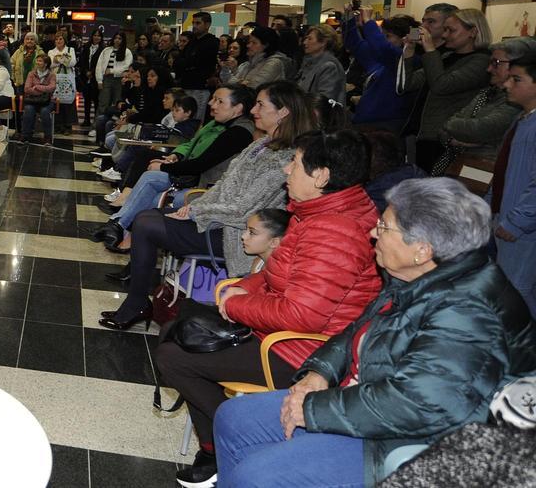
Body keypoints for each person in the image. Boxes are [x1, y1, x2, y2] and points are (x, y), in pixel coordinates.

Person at [214, 178, 536, 487]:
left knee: (257, 477)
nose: (371, 232)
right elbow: (358, 329)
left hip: (426, 444)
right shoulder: (418, 275)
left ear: (421, 249)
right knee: (234, 418)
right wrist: (319, 373)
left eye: (383, 226)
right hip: (371, 402)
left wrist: (313, 409)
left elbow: (419, 404)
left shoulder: (469, 311)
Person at [162, 128, 381, 487]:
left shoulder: (335, 230)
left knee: (175, 356)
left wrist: (238, 306)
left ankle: (222, 445)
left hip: (300, 351)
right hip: (281, 332)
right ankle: (220, 441)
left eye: (294, 164)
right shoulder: (318, 212)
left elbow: (303, 315)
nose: (285, 171)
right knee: (179, 326)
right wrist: (241, 288)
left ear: (321, 176)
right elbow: (274, 273)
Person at [100, 81, 316, 328]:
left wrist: (196, 210)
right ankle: (137, 300)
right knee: (147, 218)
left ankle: (137, 302)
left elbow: (244, 210)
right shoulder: (261, 144)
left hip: (237, 235)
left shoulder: (287, 157)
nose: (254, 110)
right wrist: (195, 207)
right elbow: (224, 184)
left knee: (146, 225)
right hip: (215, 219)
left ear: (283, 111)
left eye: (260, 104)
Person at [94, 86, 255, 252]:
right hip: (194, 177)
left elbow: (202, 164)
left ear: (238, 108)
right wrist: (176, 155)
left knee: (152, 189)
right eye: (213, 99)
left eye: (219, 101)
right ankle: (120, 228)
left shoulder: (239, 132)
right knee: (150, 177)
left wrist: (165, 167)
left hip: (207, 187)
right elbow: (191, 144)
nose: (211, 104)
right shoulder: (217, 123)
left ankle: (124, 230)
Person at [399, 7, 491, 172]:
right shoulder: (446, 57)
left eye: (451, 30)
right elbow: (408, 84)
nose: (444, 35)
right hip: (425, 135)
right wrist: (409, 52)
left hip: (447, 140)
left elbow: (441, 85)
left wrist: (429, 49)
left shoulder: (482, 62)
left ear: (473, 31)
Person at [432, 37, 536, 173]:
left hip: (484, 172)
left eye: (496, 63)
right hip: (463, 168)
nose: (488, 69)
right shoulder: (487, 92)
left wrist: (458, 131)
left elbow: (481, 129)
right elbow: (445, 127)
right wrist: (454, 135)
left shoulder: (516, 102)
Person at [492, 51, 536, 315]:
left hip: (523, 229)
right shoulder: (524, 119)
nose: (507, 84)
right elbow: (506, 171)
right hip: (509, 219)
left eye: (516, 79)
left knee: (516, 296)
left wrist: (518, 220)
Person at [343, 11, 416, 131]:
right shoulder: (380, 61)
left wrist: (368, 21)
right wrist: (348, 16)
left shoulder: (407, 60)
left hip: (386, 126)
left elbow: (382, 47)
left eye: (387, 36)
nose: (383, 39)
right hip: (365, 122)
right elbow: (354, 43)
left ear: (405, 39)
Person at [175, 12, 221, 117]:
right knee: (182, 117)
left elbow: (197, 62)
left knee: (195, 118)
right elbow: (179, 60)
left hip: (200, 87)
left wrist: (187, 62)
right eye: (193, 23)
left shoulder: (212, 42)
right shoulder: (192, 42)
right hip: (186, 84)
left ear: (207, 24)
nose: (194, 26)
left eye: (198, 23)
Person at [296, 24, 346, 105]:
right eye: (306, 38)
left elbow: (324, 101)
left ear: (323, 42)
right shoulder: (309, 62)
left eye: (309, 39)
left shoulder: (329, 66)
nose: (305, 42)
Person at [20, 51, 56, 144]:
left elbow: (52, 87)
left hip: (47, 101)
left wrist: (38, 87)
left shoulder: (51, 75)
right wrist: (42, 90)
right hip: (33, 100)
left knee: (45, 112)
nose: (37, 63)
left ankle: (47, 136)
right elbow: (27, 89)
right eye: (37, 61)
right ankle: (25, 135)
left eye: (40, 61)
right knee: (28, 109)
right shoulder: (31, 74)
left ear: (46, 63)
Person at [95, 31, 133, 115]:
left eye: (120, 38)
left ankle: (114, 124)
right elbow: (99, 65)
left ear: (123, 40)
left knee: (117, 102)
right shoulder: (106, 50)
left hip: (120, 80)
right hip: (106, 79)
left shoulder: (127, 52)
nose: (117, 40)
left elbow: (126, 67)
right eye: (116, 38)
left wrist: (112, 71)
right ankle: (98, 125)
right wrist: (99, 81)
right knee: (103, 102)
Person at [49, 31, 77, 129]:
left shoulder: (71, 50)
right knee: (57, 101)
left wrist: (58, 60)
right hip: (55, 79)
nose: (58, 41)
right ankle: (57, 125)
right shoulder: (51, 52)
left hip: (68, 79)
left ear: (64, 40)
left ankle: (68, 126)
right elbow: (50, 64)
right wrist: (62, 60)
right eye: (56, 39)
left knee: (68, 101)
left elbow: (73, 62)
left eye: (60, 39)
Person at [79, 28, 104, 126]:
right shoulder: (86, 46)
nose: (96, 37)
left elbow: (101, 64)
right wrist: (86, 72)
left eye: (98, 36)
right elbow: (82, 61)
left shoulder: (103, 49)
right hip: (85, 77)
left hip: (96, 78)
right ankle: (86, 120)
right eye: (95, 35)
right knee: (87, 100)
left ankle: (96, 121)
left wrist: (92, 72)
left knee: (96, 100)